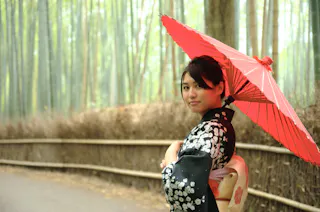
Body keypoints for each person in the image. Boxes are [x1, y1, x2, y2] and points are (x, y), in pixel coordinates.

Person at [160, 55, 236, 212]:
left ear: (220, 88)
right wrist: (177, 163)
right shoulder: (217, 126)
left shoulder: (212, 130)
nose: (191, 94)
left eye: (199, 86)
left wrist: (171, 155)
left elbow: (181, 186)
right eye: (186, 87)